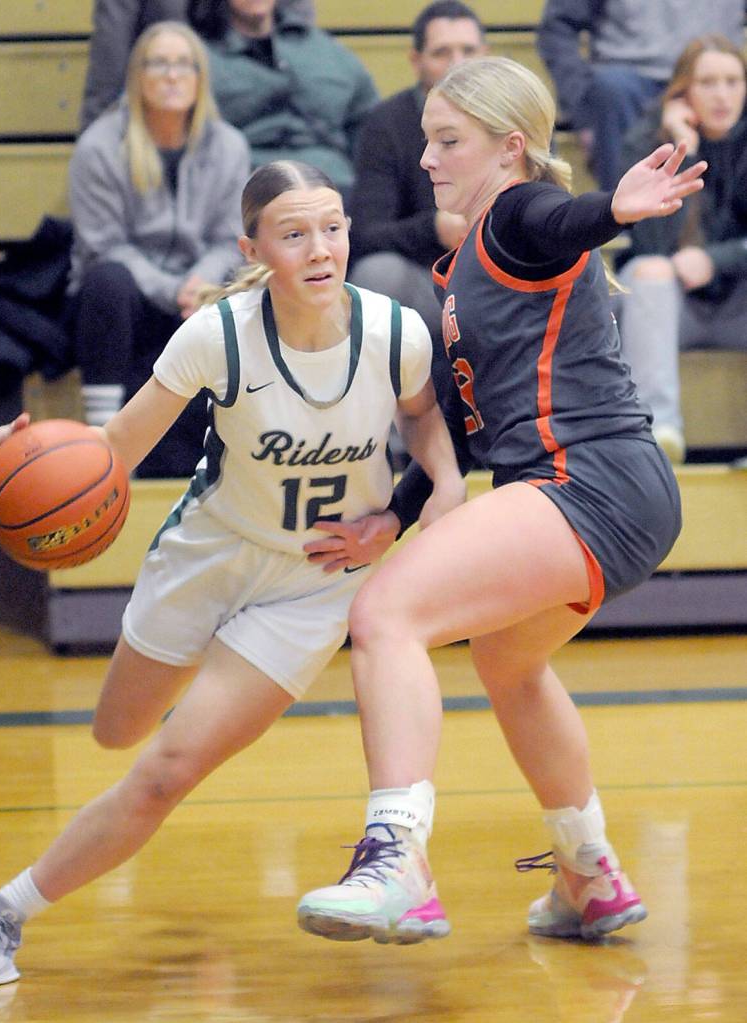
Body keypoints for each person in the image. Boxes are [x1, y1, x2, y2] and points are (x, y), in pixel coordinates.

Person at [0, 159, 465, 988]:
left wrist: (432, 488)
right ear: (253, 245)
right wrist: (18, 451)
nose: (320, 247)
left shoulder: (395, 329)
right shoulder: (217, 334)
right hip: (210, 555)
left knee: (162, 773)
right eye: (294, 233)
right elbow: (111, 452)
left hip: (311, 583)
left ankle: (2, 912)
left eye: (332, 226)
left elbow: (421, 412)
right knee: (116, 730)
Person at [296, 56, 705, 945]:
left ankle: (397, 860)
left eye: (449, 142)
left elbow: (563, 218)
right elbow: (456, 416)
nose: (429, 158)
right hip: (613, 489)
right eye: (428, 139)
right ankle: (587, 872)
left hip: (585, 477)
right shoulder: (467, 263)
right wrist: (394, 516)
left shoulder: (519, 215)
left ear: (509, 149)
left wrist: (612, 211)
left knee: (386, 613)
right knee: (507, 663)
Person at [68, 21, 249, 477]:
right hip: (123, 306)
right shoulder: (99, 146)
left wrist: (203, 283)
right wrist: (173, 289)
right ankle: (104, 445)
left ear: (200, 77)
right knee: (106, 278)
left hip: (198, 297)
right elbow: (102, 244)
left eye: (184, 65)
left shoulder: (228, 146)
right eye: (159, 64)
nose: (172, 75)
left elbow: (231, 237)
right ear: (137, 76)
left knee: (249, 287)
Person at [616, 34, 747, 465]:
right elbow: (648, 243)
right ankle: (659, 431)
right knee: (650, 270)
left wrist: (715, 260)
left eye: (733, 81)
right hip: (670, 308)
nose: (722, 95)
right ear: (683, 91)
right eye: (708, 82)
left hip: (736, 305)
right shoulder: (648, 144)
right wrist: (680, 148)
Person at [349, 1, 487, 399]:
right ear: (416, 60)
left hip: (502, 276)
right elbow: (367, 233)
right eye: (442, 52)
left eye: (468, 51)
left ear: (487, 55)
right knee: (376, 275)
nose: (457, 63)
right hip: (425, 282)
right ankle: (383, 439)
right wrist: (434, 227)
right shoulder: (387, 123)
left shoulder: (515, 118)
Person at [536, 0, 743, 192]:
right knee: (611, 89)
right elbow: (558, 27)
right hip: (628, 86)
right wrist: (583, 103)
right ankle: (622, 219)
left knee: (728, 87)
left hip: (711, 73)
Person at [188, 0, 379, 197]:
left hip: (336, 183)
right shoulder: (198, 57)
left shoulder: (327, 51)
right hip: (246, 186)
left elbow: (369, 123)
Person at [80, 0, 316, 130]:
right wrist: (95, 146)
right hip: (171, 113)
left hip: (260, 113)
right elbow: (109, 64)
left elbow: (296, 41)